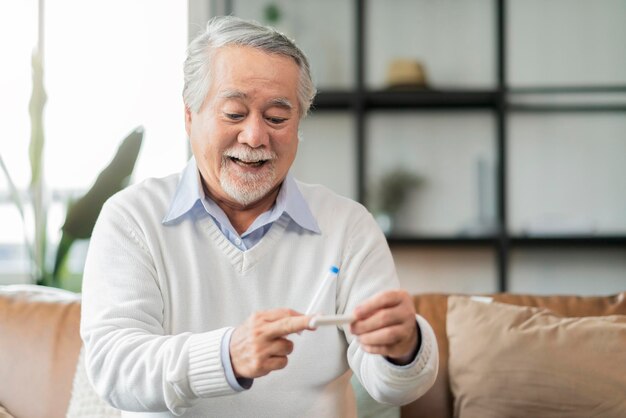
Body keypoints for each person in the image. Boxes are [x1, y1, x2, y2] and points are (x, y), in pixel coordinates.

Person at [81, 15, 438, 417]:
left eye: (277, 118)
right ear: (189, 117)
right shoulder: (132, 218)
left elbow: (393, 386)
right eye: (234, 113)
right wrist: (226, 355)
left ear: (298, 124)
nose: (254, 136)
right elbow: (114, 368)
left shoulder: (348, 227)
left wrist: (404, 348)